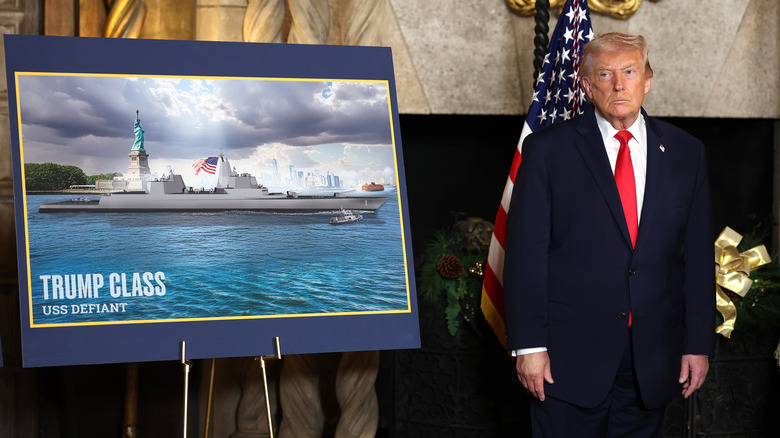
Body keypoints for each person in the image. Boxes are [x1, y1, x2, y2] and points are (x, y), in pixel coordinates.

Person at [503, 32, 715, 438]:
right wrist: (529, 346)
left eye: (630, 72)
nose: (619, 85)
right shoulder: (548, 151)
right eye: (605, 74)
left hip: (652, 358)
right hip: (566, 360)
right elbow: (527, 256)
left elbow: (696, 260)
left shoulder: (687, 153)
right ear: (586, 85)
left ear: (647, 80)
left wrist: (697, 343)